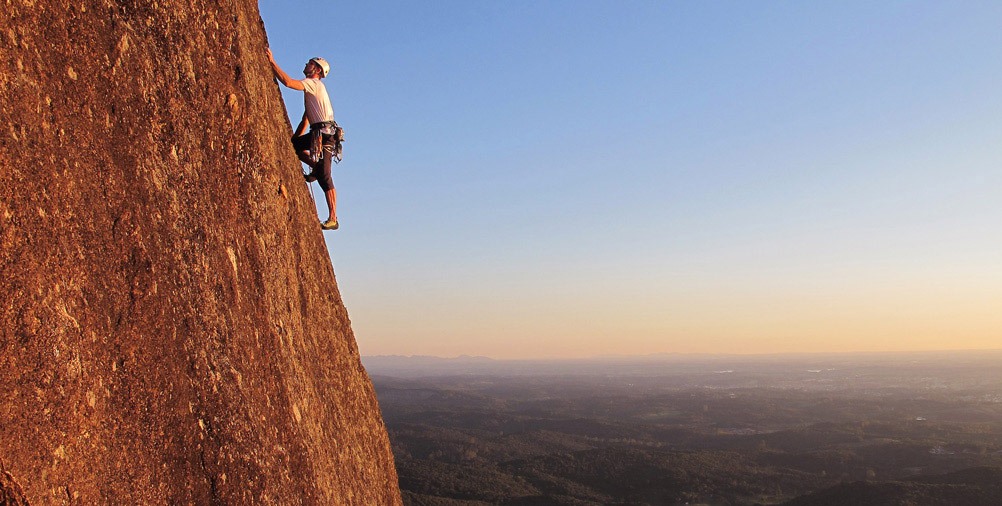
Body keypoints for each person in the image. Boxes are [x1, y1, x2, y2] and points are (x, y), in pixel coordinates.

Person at [266, 49, 340, 230]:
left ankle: (333, 218)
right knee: (294, 147)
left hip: (325, 135)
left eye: (310, 63)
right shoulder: (313, 92)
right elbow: (306, 119)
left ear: (317, 70)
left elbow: (288, 83)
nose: (306, 65)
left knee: (325, 175)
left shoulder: (313, 84)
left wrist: (272, 62)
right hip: (318, 132)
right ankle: (314, 168)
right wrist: (293, 141)